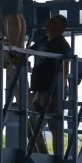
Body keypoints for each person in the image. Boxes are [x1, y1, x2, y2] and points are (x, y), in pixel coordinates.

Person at [28, 14, 71, 153]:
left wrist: (57, 92)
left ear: (59, 27)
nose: (48, 23)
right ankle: (40, 152)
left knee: (54, 126)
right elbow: (27, 53)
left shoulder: (61, 45)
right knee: (33, 125)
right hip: (41, 89)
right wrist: (6, 59)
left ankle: (57, 157)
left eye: (52, 21)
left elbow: (65, 68)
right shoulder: (44, 40)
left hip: (51, 90)